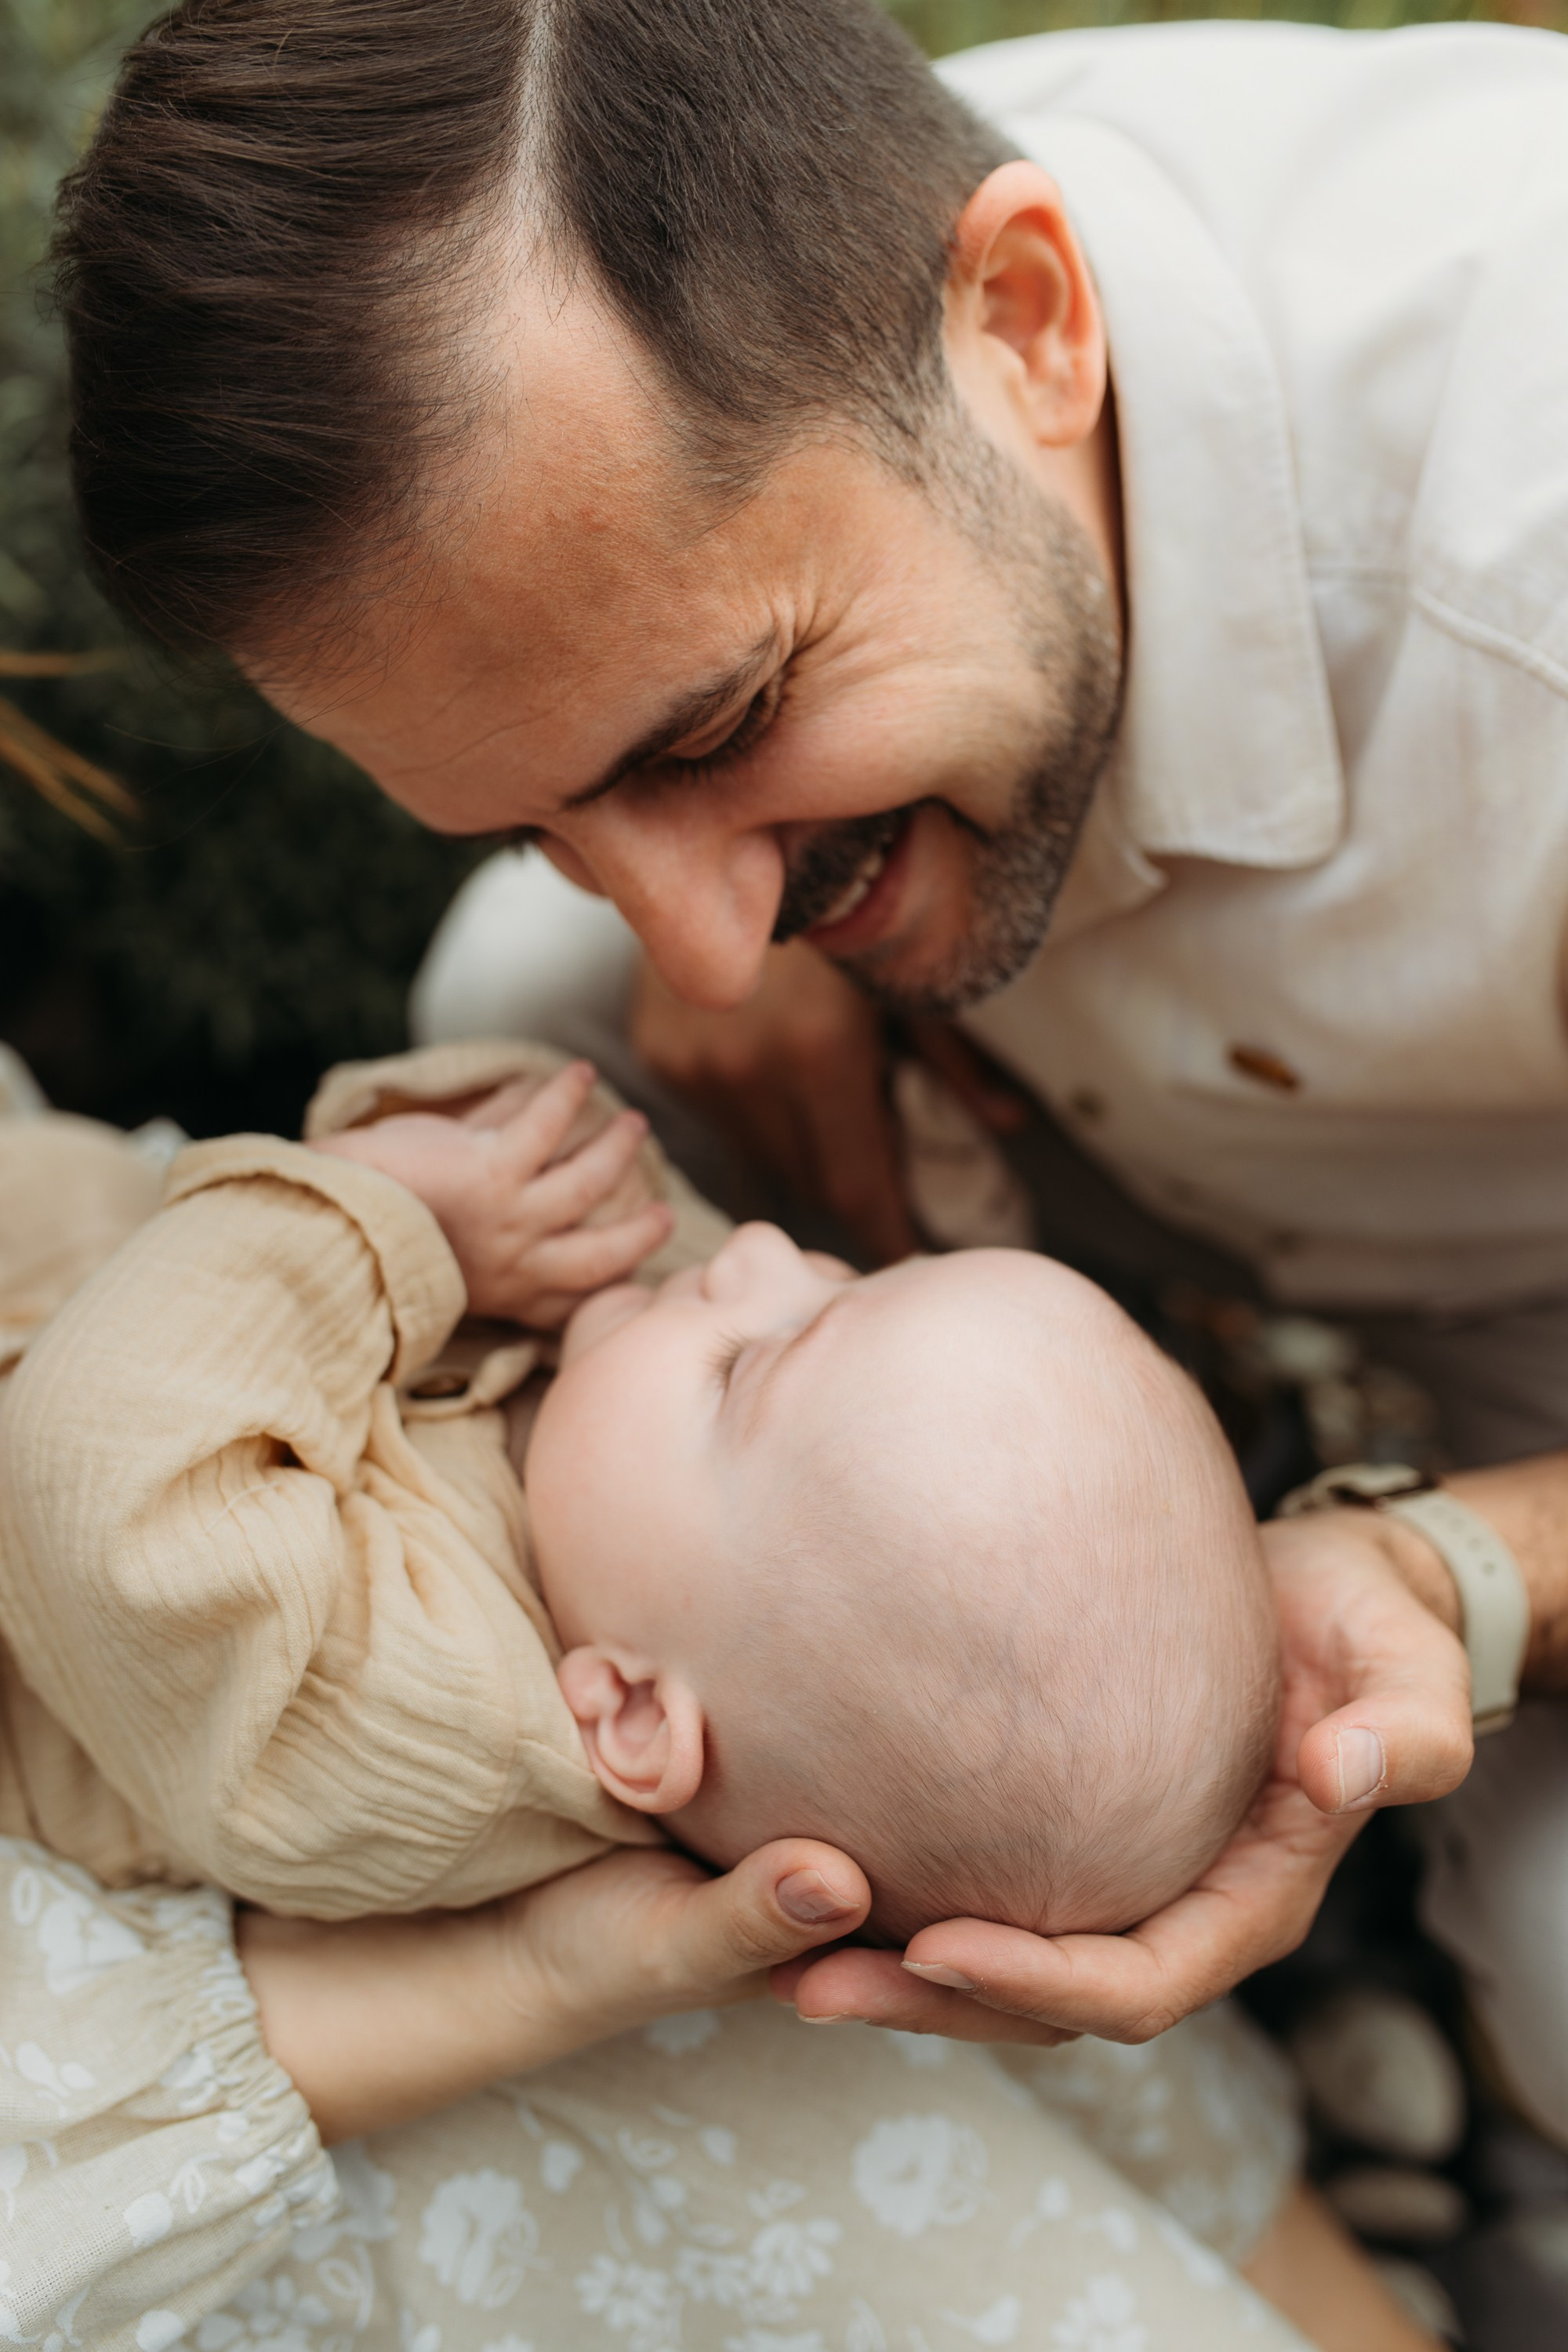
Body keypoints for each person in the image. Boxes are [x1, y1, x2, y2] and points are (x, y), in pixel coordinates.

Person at [48, 0, 1568, 2144]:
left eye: (704, 733)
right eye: (541, 816)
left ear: (1032, 327)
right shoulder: (788, 436)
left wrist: (1451, 1570)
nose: (692, 948)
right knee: (517, 1004)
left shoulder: (1537, 572)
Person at [0, 1051, 1432, 2351]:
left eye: (751, 1360)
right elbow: (608, 1225)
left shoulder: (404, 1717)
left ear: (629, 1720)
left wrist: (384, 1224)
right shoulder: (661, 1550)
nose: (752, 1252)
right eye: (841, 1283)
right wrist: (504, 1175)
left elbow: (85, 1466)